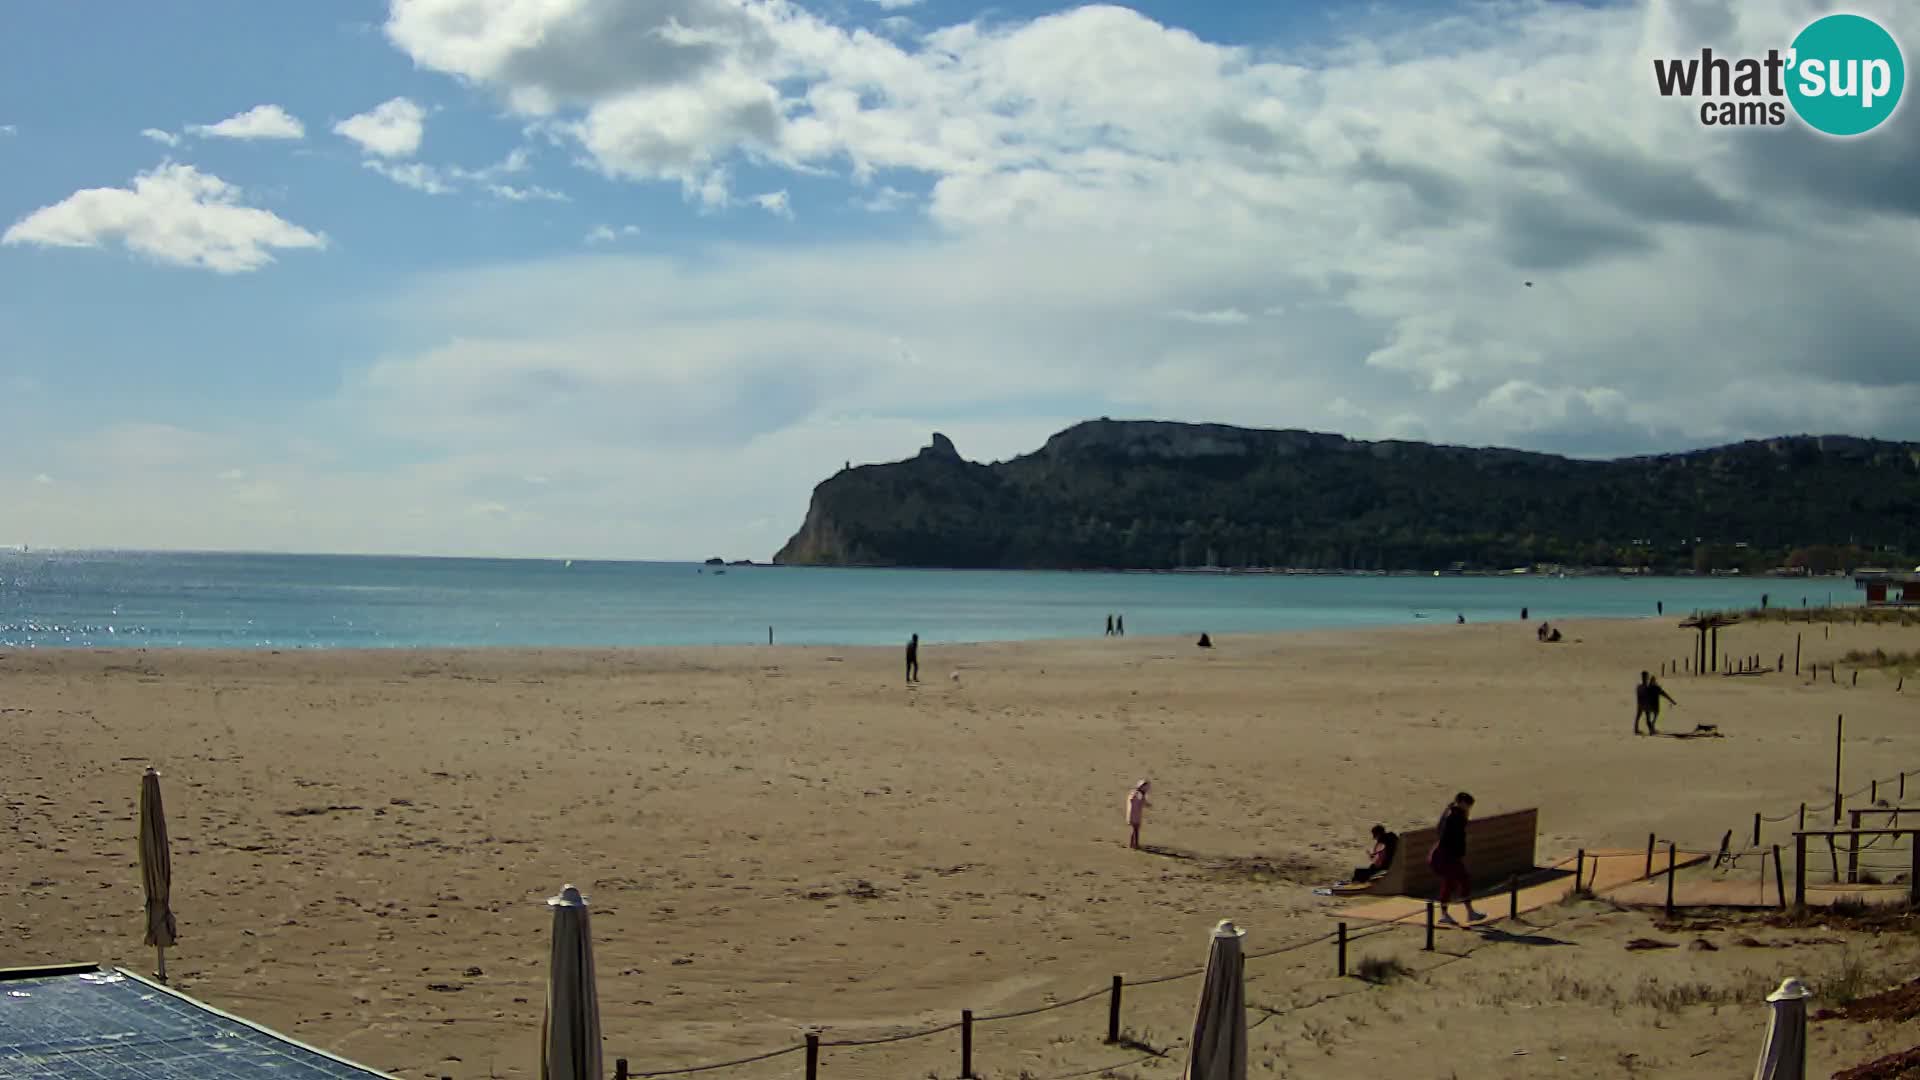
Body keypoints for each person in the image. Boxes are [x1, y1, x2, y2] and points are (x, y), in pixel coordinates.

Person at [1429, 792, 1484, 924]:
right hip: (1446, 855)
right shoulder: (1454, 816)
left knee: (1457, 881)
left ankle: (1466, 912)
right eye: (1468, 804)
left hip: (1449, 854)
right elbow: (1447, 834)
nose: (1469, 807)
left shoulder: (1454, 814)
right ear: (1461, 803)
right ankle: (1449, 914)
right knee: (1453, 882)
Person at [1126, 780, 1150, 849]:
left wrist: (1147, 804)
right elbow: (1132, 799)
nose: (1147, 789)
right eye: (1146, 787)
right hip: (1133, 814)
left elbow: (1143, 802)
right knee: (1135, 830)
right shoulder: (1137, 793)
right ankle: (1134, 844)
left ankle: (1133, 844)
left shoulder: (1140, 794)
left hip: (1136, 814)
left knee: (1135, 830)